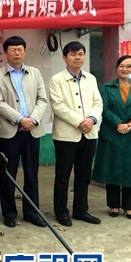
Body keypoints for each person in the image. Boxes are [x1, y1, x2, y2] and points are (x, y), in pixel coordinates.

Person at [0, 36, 49, 228]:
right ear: (5, 53)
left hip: (32, 130)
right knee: (7, 173)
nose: (17, 53)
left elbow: (42, 100)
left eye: (20, 49)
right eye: (13, 50)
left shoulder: (35, 73)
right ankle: (9, 213)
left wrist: (32, 120)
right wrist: (20, 119)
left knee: (32, 173)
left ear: (24, 51)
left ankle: (32, 212)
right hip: (8, 131)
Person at [49, 41, 103, 226]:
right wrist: (81, 122)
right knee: (63, 176)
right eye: (73, 54)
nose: (77, 57)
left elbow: (98, 103)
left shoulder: (91, 78)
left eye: (80, 54)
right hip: (66, 136)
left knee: (84, 174)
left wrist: (92, 119)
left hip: (89, 133)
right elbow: (58, 106)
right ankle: (61, 212)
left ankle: (81, 210)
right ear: (65, 58)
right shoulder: (56, 80)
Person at [92, 55, 131, 220]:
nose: (124, 69)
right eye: (121, 66)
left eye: (129, 66)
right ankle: (114, 206)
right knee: (112, 168)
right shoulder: (107, 87)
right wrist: (118, 123)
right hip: (112, 133)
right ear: (117, 68)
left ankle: (129, 207)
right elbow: (103, 108)